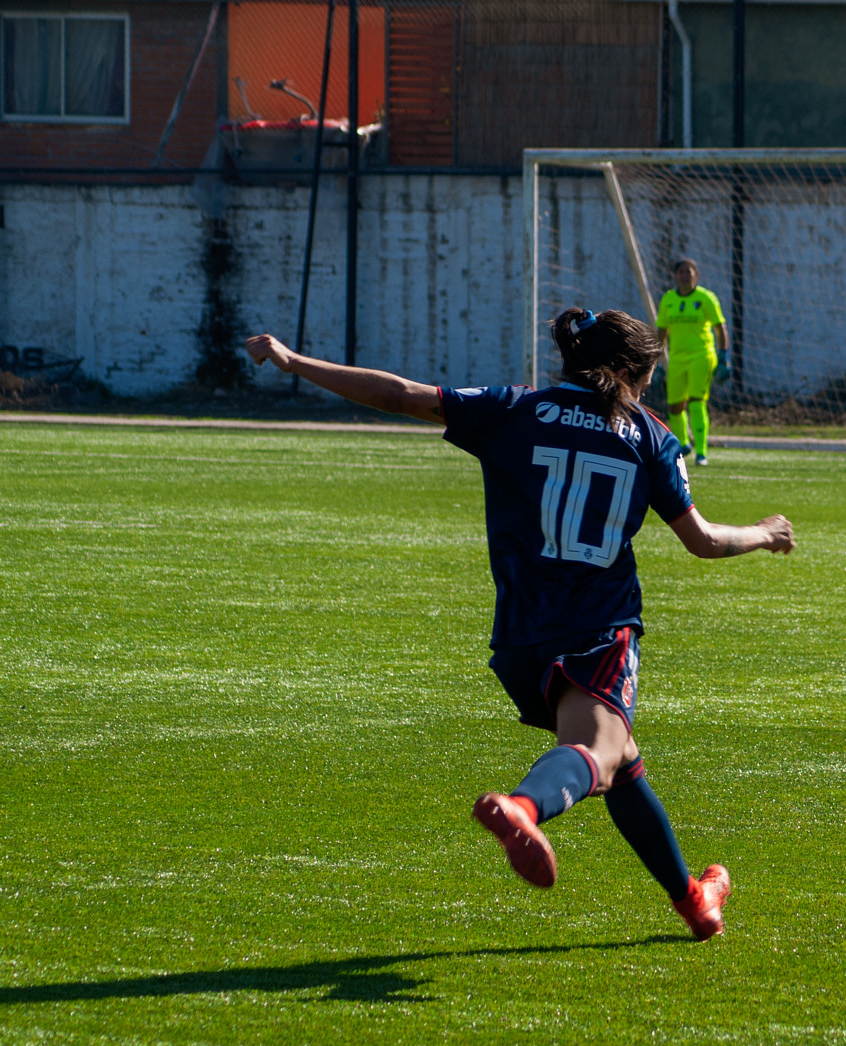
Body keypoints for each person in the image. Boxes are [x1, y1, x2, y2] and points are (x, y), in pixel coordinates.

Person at [243, 308, 794, 940]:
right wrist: (764, 533)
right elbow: (701, 540)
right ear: (622, 375)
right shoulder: (648, 435)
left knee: (625, 765)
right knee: (597, 752)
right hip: (597, 625)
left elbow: (398, 393)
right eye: (643, 383)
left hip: (521, 637)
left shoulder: (515, 408)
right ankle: (524, 807)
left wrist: (293, 362)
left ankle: (694, 900)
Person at [654, 258, 728, 465]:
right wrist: (657, 359)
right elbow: (661, 330)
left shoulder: (706, 298)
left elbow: (720, 327)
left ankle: (702, 452)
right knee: (674, 407)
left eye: (689, 272)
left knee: (696, 402)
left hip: (702, 355)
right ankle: (683, 444)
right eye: (681, 272)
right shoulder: (668, 299)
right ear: (675, 276)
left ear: (696, 275)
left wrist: (723, 357)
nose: (685, 275)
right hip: (677, 357)